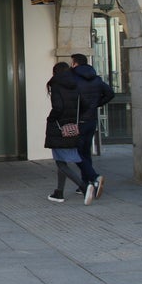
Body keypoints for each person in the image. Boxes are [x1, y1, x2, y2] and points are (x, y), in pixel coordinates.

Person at [44, 62, 91, 205]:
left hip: (59, 128)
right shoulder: (74, 85)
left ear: (55, 72)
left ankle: (84, 187)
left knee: (60, 162)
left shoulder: (56, 86)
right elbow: (85, 105)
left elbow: (58, 107)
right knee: (62, 160)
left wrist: (50, 119)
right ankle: (59, 192)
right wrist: (73, 118)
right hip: (71, 127)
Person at [70, 52, 115, 199]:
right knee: (85, 152)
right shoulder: (96, 79)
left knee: (76, 153)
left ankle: (94, 177)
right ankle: (86, 183)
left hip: (78, 121)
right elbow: (110, 93)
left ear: (75, 63)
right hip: (91, 120)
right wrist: (96, 105)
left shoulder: (73, 78)